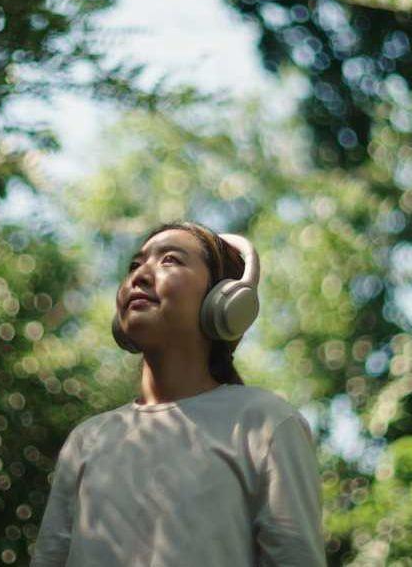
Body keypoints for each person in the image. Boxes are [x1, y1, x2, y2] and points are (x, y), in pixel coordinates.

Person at [31, 220, 326, 567]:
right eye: (135, 264)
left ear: (223, 299)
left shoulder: (264, 423)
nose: (140, 275)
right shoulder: (87, 440)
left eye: (170, 260)